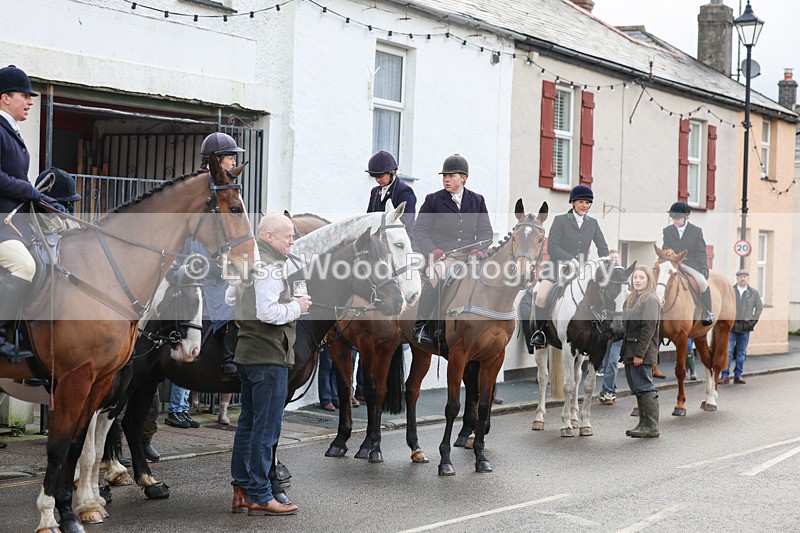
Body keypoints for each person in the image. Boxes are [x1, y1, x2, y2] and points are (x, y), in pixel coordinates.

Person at [229, 212, 310, 516]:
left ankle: (241, 488)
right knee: (266, 428)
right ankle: (262, 495)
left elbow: (229, 298)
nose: (292, 240)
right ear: (269, 237)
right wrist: (297, 306)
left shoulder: (249, 263)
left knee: (248, 425)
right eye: (288, 235)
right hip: (270, 356)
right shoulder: (271, 268)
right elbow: (267, 312)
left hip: (248, 354)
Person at [0, 65, 65, 360]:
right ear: (4, 98)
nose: (29, 102)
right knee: (24, 266)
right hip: (2, 226)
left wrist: (48, 204)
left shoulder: (11, 132)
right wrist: (31, 192)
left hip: (14, 225)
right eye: (24, 96)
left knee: (46, 260)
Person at [411, 154, 493, 345]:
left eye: (451, 175)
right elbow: (419, 230)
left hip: (470, 257)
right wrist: (432, 250)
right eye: (444, 176)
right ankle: (421, 325)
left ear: (463, 178)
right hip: (443, 257)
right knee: (436, 276)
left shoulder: (477, 200)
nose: (446, 179)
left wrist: (479, 249)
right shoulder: (433, 200)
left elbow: (486, 232)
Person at [530, 185, 609, 348]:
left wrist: (606, 262)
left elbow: (602, 246)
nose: (585, 206)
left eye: (588, 203)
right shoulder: (560, 220)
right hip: (557, 268)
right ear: (573, 202)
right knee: (541, 296)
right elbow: (552, 247)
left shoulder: (592, 223)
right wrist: (569, 259)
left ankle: (600, 330)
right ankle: (540, 332)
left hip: (580, 271)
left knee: (599, 295)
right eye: (581, 202)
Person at [621, 265, 661, 438]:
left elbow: (648, 329)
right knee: (637, 387)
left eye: (641, 278)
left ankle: (652, 425)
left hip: (641, 351)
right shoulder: (631, 299)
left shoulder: (650, 300)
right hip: (629, 350)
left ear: (648, 280)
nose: (637, 280)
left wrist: (639, 354)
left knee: (644, 386)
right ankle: (643, 423)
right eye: (635, 277)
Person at [662, 201, 714, 326]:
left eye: (677, 218)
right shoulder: (667, 231)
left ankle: (708, 311)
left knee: (703, 283)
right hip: (673, 264)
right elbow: (665, 249)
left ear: (685, 217)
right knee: (660, 282)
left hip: (690, 264)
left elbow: (701, 252)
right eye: (673, 217)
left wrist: (704, 268)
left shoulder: (696, 231)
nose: (674, 220)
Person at [720, 269, 763, 385]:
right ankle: (725, 376)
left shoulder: (753, 293)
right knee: (728, 352)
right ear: (737, 278)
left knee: (741, 353)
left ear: (748, 278)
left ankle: (738, 375)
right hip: (731, 326)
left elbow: (759, 307)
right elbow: (723, 305)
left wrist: (753, 321)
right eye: (740, 277)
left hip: (745, 328)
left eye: (744, 276)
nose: (742, 278)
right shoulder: (731, 291)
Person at [366, 150, 416, 232]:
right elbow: (369, 218)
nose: (377, 180)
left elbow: (406, 223)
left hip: (400, 240)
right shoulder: (374, 192)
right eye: (374, 176)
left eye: (380, 176)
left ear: (392, 172)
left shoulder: (405, 192)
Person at [598, 250, 623, 405]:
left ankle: (608, 392)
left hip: (620, 331)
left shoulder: (624, 279)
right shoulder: (604, 288)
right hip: (607, 332)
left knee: (613, 361)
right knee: (607, 363)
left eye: (616, 257)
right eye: (611, 258)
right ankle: (608, 389)